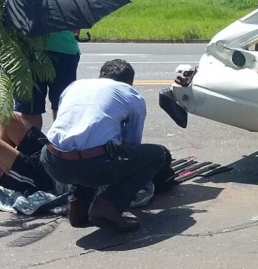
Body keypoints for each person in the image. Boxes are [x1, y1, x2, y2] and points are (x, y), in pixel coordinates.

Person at [40, 59, 168, 233]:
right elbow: (130, 143)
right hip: (93, 166)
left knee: (87, 146)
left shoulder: (75, 86)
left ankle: (78, 205)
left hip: (51, 160)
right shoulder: (131, 94)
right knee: (156, 155)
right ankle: (108, 205)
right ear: (130, 82)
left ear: (101, 76)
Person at [16, 29, 82, 130]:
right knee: (31, 108)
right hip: (29, 48)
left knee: (62, 107)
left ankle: (59, 144)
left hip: (62, 49)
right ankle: (33, 145)